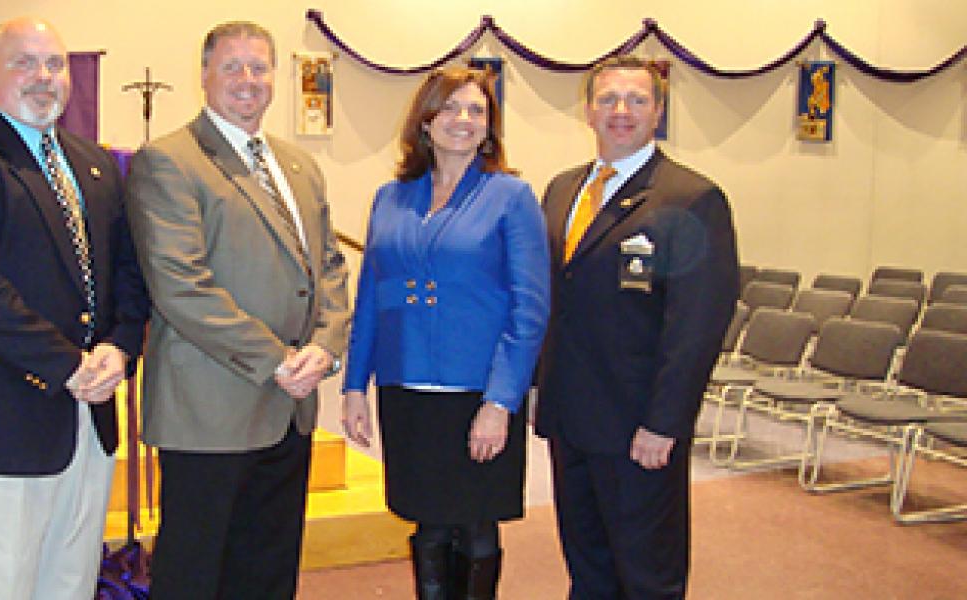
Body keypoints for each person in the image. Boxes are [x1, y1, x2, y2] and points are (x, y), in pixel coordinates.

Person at [0, 17, 149, 600]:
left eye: (55, 64)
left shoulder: (92, 164)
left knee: (67, 583)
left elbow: (128, 277)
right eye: (24, 62)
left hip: (87, 422)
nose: (44, 77)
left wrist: (119, 347)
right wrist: (70, 365)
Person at [125, 21, 351, 600]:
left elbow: (327, 267)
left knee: (269, 567)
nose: (247, 81)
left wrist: (324, 348)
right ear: (204, 75)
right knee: (197, 572)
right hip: (211, 408)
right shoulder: (170, 160)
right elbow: (181, 286)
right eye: (232, 67)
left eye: (259, 67)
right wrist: (279, 359)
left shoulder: (297, 165)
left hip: (291, 403)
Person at [341, 67, 551, 600]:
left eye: (476, 110)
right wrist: (354, 385)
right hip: (407, 391)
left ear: (489, 126)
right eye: (450, 108)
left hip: (477, 393)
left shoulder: (511, 197)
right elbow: (372, 298)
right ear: (426, 121)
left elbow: (529, 310)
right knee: (427, 520)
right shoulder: (391, 197)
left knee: (477, 523)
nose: (463, 120)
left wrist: (501, 401)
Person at [535, 55, 739, 599]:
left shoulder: (691, 198)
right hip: (571, 419)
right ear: (588, 110)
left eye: (637, 100)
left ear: (659, 112)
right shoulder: (561, 190)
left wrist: (665, 424)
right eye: (607, 100)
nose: (620, 112)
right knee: (588, 566)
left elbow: (696, 326)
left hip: (638, 429)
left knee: (648, 573)